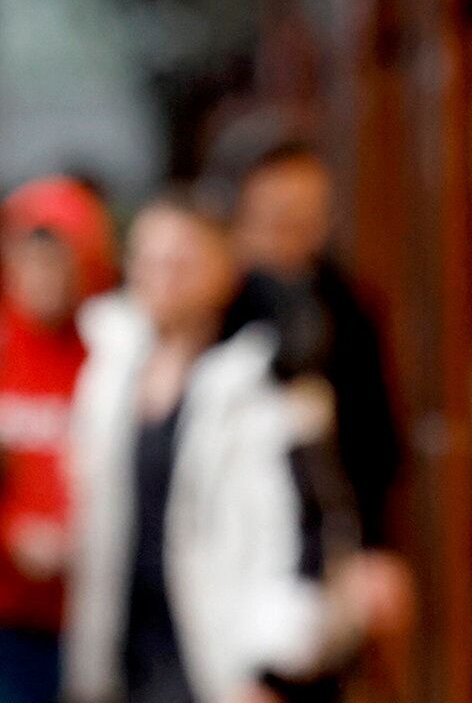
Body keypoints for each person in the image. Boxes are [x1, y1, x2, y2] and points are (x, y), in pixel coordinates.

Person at [64, 189, 389, 703]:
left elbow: (313, 529)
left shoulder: (271, 384)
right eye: (148, 260)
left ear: (223, 271)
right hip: (124, 661)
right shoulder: (107, 372)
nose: (162, 277)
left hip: (223, 665)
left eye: (181, 262)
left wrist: (273, 666)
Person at [229, 142, 402, 555]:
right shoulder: (222, 302)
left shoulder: (347, 304)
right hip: (240, 521)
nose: (297, 228)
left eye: (310, 214)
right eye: (282, 215)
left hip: (329, 516)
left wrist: (375, 543)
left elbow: (375, 434)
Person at [0, 179, 113, 703]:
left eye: (60, 262)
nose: (44, 278)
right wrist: (11, 533)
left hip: (90, 608)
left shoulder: (108, 355)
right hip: (8, 609)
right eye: (32, 260)